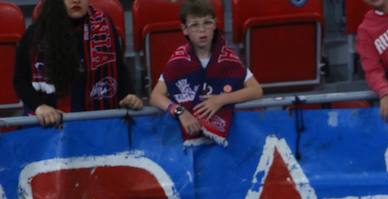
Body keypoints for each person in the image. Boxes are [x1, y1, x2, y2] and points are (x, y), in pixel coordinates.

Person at [13, 0, 143, 128]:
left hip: (97, 124)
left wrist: (129, 95)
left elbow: (119, 69)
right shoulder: (35, 34)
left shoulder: (105, 26)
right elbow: (20, 80)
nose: (76, 1)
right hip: (51, 126)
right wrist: (39, 106)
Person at [149, 0, 263, 146]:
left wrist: (221, 100)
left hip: (224, 141)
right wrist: (180, 112)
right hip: (186, 141)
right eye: (195, 24)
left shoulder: (228, 58)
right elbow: (155, 96)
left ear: (215, 25)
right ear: (184, 29)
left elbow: (256, 90)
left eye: (207, 23)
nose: (202, 30)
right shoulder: (178, 60)